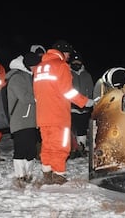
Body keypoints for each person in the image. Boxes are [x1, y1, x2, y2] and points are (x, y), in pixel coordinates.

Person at [33, 41, 95, 186]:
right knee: (61, 146)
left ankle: (47, 173)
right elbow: (67, 91)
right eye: (67, 53)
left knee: (47, 145)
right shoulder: (61, 66)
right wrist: (85, 102)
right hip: (58, 115)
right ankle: (58, 175)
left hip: (42, 115)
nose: (68, 57)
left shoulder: (39, 68)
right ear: (62, 52)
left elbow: (36, 94)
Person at [7, 52, 41, 188]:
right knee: (21, 149)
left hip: (31, 120)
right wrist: (41, 97)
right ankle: (20, 176)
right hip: (20, 120)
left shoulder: (29, 76)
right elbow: (25, 97)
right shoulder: (16, 77)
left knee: (30, 150)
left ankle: (28, 174)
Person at [68, 50, 94, 158]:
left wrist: (89, 101)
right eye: (74, 61)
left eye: (79, 62)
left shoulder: (86, 75)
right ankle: (73, 148)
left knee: (82, 128)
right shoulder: (68, 74)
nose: (77, 64)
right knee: (72, 129)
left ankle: (81, 147)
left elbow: (91, 89)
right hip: (71, 107)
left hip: (84, 107)